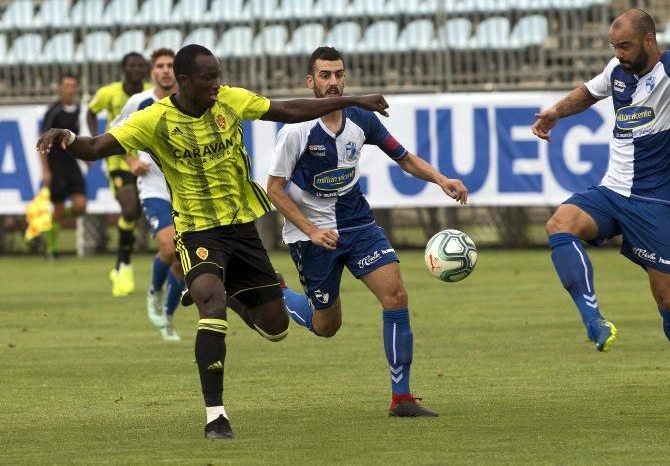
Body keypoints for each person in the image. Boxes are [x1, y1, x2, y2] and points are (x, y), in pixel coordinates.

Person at [38, 44, 393, 439]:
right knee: (211, 303)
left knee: (276, 328)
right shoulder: (153, 119)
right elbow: (97, 147)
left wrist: (356, 100)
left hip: (242, 227)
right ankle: (216, 416)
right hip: (196, 229)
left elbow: (289, 110)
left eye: (218, 75)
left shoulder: (229, 101)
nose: (216, 84)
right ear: (183, 80)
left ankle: (228, 292)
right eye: (208, 78)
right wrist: (68, 137)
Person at [531, 9, 670, 425]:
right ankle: (592, 317)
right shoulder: (618, 68)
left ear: (649, 39)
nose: (618, 54)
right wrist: (556, 112)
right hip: (613, 190)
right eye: (614, 47)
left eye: (625, 46)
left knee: (668, 300)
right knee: (559, 224)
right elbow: (588, 91)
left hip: (656, 202)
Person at [267, 47, 469, 418]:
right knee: (326, 326)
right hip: (312, 237)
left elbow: (404, 157)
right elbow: (274, 189)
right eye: (325, 76)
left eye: (339, 74)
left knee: (396, 296)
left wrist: (440, 178)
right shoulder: (295, 131)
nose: (333, 82)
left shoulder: (361, 118)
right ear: (311, 82)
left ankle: (402, 398)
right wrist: (311, 230)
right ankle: (279, 293)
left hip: (359, 224)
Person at [112, 48, 184, 341]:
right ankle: (154, 292)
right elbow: (115, 133)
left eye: (170, 65)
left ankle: (167, 316)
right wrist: (131, 161)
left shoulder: (190, 100)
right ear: (153, 72)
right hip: (154, 186)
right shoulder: (139, 102)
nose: (166, 70)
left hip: (186, 189)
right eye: (161, 66)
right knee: (169, 246)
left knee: (182, 260)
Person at [87, 52, 151, 297]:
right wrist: (95, 140)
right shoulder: (109, 93)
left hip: (147, 162)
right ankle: (123, 262)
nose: (136, 69)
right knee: (129, 210)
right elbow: (91, 111)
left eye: (140, 66)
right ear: (123, 69)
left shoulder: (150, 93)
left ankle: (123, 263)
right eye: (131, 66)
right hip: (118, 161)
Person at [38, 73, 87, 259]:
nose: (70, 89)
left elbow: (79, 136)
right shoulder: (54, 111)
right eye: (66, 85)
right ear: (60, 87)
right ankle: (51, 249)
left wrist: (86, 157)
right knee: (58, 207)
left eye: (73, 85)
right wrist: (45, 169)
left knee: (80, 206)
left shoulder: (79, 110)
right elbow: (42, 139)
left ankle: (50, 222)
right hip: (56, 163)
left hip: (72, 162)